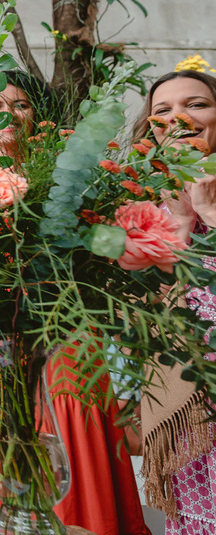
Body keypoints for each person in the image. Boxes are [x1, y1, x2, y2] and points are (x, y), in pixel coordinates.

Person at [0, 70, 148, 535]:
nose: (9, 114)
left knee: (68, 426)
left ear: (38, 115)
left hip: (62, 333)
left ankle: (80, 521)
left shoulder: (68, 175)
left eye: (21, 105)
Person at [133, 69, 216, 531]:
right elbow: (147, 322)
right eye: (162, 110)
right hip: (191, 412)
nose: (178, 116)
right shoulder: (146, 207)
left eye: (197, 104)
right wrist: (182, 225)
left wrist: (210, 213)